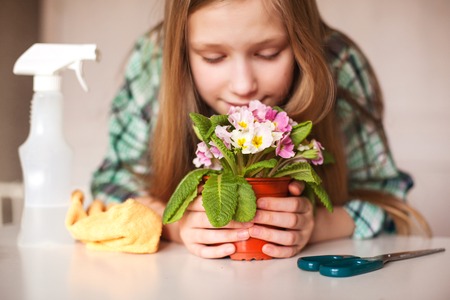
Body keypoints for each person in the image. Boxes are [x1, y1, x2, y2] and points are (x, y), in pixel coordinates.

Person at [91, 0, 431, 259]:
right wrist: (175, 225)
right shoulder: (153, 62)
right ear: (182, 51)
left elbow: (392, 207)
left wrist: (316, 226)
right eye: (213, 58)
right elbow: (110, 190)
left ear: (302, 44)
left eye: (268, 54)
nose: (243, 86)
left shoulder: (337, 64)